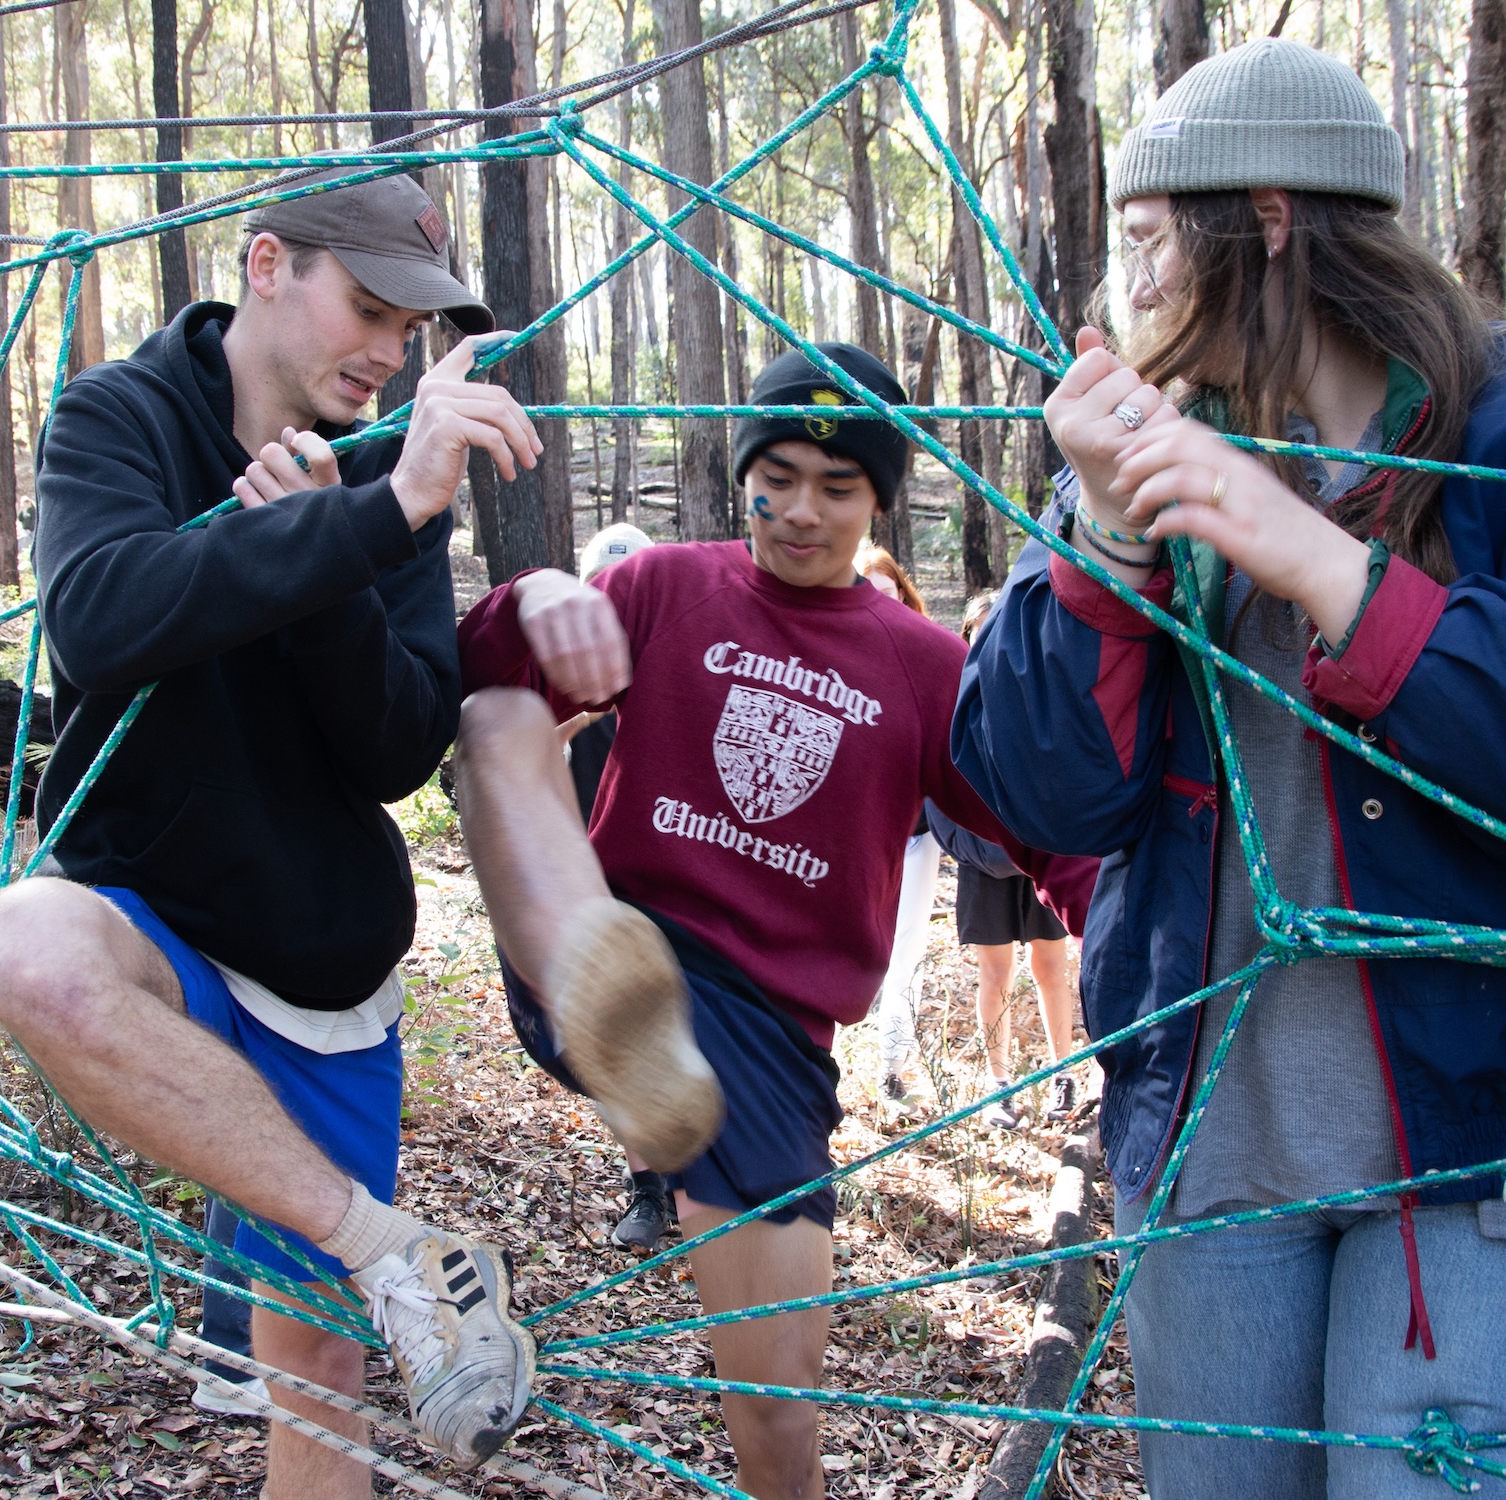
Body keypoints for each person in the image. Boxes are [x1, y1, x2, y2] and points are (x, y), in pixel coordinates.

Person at [951, 39, 1506, 1497]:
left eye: (1151, 238)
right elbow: (1028, 799)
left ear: (1271, 219)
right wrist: (1102, 543)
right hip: (1212, 1153)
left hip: (1487, 1163)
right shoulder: (1143, 455)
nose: (1127, 284)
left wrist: (1315, 557)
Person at [0, 167, 543, 1488]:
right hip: (149, 914)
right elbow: (101, 617)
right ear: (268, 265)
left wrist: (357, 532)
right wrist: (369, 519)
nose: (393, 353)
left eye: (414, 330)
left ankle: (376, 1272)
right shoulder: (124, 416)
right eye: (373, 308)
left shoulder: (401, 473)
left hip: (318, 969)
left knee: (319, 1380)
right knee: (26, 951)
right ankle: (389, 1247)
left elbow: (399, 743)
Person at [455, 341, 1094, 1499]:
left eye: (837, 487)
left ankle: (646, 1056)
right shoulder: (662, 587)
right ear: (743, 473)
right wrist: (533, 597)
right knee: (499, 718)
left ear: (879, 499)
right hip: (613, 935)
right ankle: (591, 989)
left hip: (764, 1035)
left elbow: (1041, 829)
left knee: (776, 1396)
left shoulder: (920, 664)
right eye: (778, 476)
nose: (800, 511)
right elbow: (481, 664)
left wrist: (1127, 959)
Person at [561, 521, 681, 1255]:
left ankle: (707, 1181)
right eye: (602, 595)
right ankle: (649, 1189)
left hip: (678, 893)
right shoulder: (558, 681)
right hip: (589, 891)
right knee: (619, 1041)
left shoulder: (684, 677)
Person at [924, 592, 1079, 1130]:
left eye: (1000, 631)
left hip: (1043, 860)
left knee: (1051, 968)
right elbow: (939, 797)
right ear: (967, 639)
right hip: (984, 863)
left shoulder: (1041, 695)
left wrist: (1042, 845)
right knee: (995, 974)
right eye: (979, 634)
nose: (990, 644)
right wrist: (983, 851)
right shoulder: (951, 701)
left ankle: (1065, 1073)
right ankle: (1000, 1084)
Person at [855, 545, 942, 1113]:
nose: (882, 608)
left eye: (890, 595)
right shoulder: (838, 658)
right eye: (868, 595)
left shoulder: (927, 658)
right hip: (857, 835)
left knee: (905, 951)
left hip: (917, 834)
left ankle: (892, 1067)